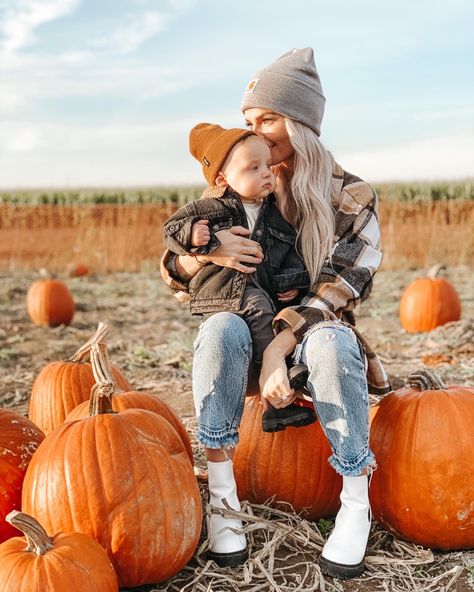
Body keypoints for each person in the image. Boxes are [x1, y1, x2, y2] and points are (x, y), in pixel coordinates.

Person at [160, 47, 391, 579]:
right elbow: (172, 273)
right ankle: (223, 500)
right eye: (248, 122)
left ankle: (356, 501)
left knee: (333, 341)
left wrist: (277, 350)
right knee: (219, 325)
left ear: (303, 123)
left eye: (268, 119)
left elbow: (340, 288)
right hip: (242, 337)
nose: (257, 133)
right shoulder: (238, 181)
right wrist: (204, 256)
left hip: (310, 342)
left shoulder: (350, 195)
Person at [163, 123, 315, 432]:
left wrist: (291, 282)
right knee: (261, 310)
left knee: (271, 311)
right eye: (254, 168)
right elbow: (171, 231)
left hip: (258, 288)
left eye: (268, 167)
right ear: (223, 179)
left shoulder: (272, 213)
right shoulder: (210, 208)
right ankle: (276, 385)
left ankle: (276, 398)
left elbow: (288, 249)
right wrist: (195, 235)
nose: (266, 174)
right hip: (224, 291)